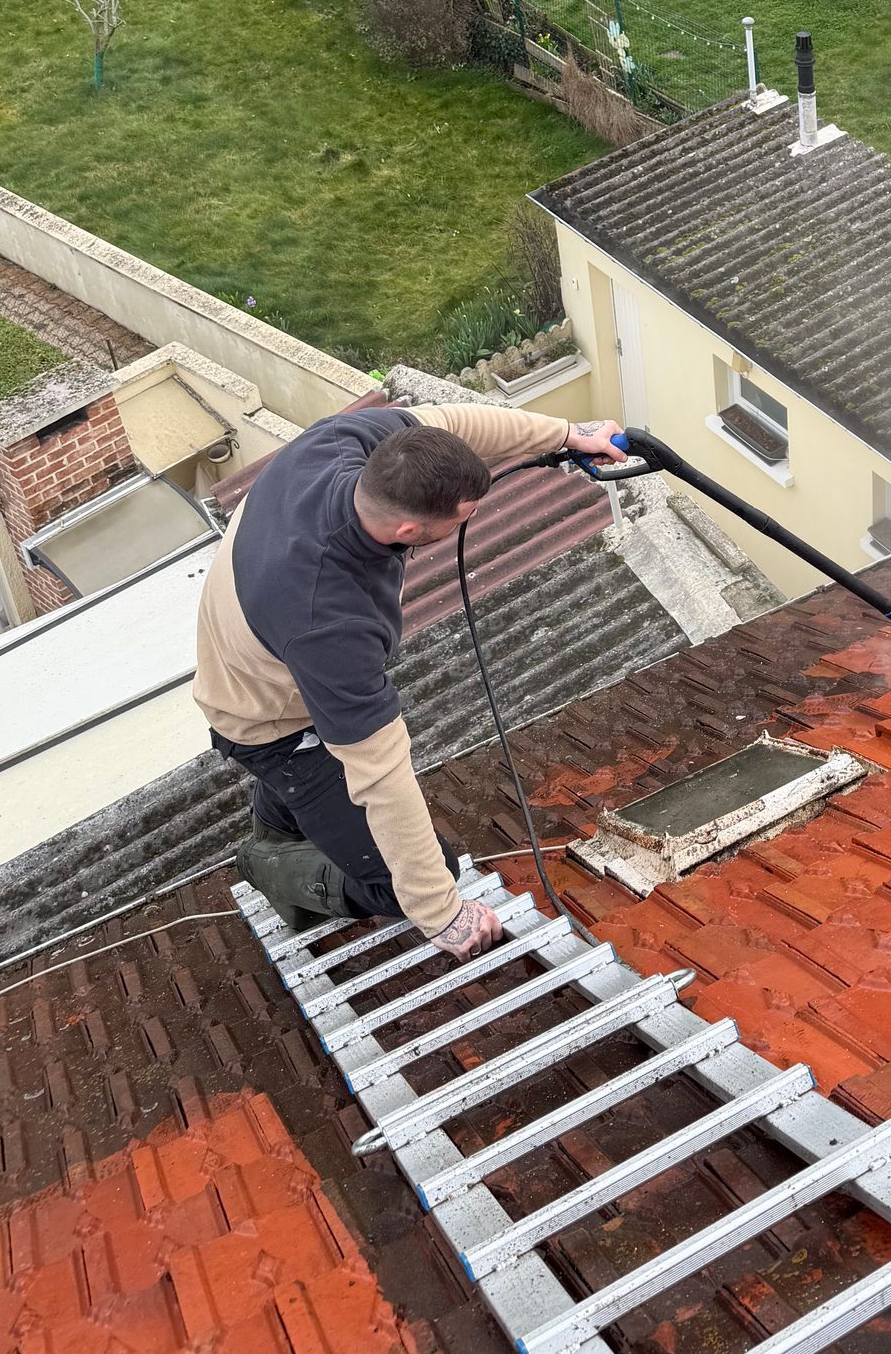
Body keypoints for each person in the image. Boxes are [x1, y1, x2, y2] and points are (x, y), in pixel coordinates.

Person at [198, 401, 627, 957]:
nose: (469, 522)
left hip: (256, 657)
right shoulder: (327, 620)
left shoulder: (345, 442)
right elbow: (379, 770)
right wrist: (438, 911)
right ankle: (267, 863)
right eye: (463, 517)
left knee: (328, 790)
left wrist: (570, 431)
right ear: (406, 528)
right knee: (407, 879)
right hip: (268, 723)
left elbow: (453, 422)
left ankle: (290, 808)